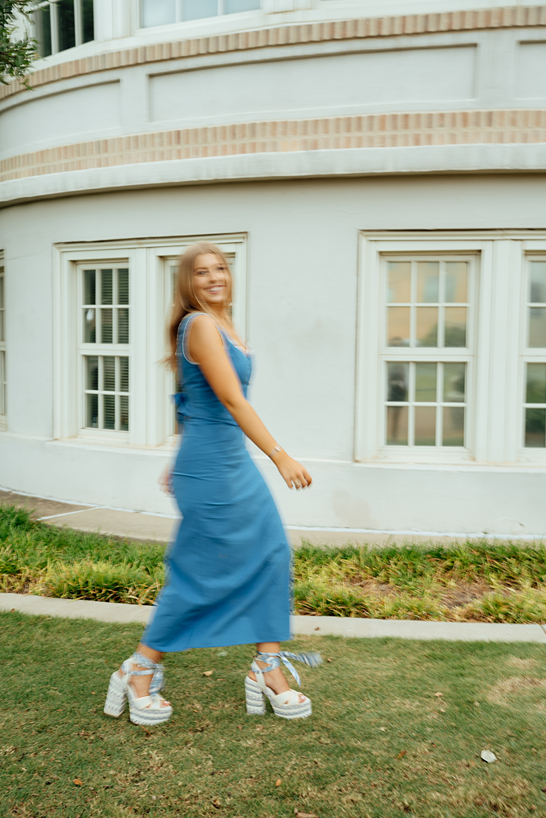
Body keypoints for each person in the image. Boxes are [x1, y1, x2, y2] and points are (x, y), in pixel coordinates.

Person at [103, 242, 321, 726]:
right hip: (214, 467)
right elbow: (232, 400)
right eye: (201, 272)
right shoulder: (199, 324)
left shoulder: (222, 326)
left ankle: (266, 666)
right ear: (188, 283)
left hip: (220, 459)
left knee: (272, 553)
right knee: (201, 571)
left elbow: (187, 398)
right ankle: (139, 669)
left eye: (220, 268)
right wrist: (281, 456)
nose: (213, 277)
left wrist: (179, 454)